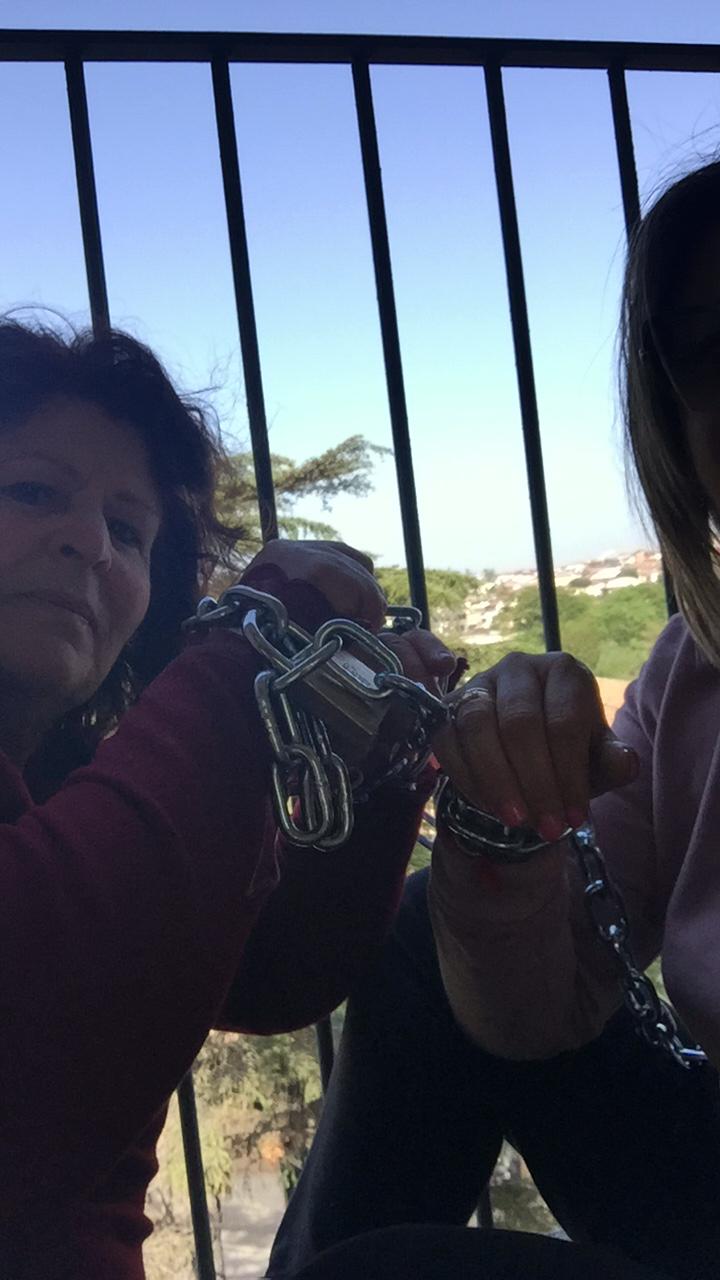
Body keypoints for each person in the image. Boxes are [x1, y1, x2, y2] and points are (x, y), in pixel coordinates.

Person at [268, 157, 720, 1280]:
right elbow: (538, 1012)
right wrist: (504, 823)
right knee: (423, 931)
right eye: (713, 355)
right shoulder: (689, 667)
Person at [0, 316, 460, 1280]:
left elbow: (256, 974)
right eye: (34, 491)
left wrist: (379, 772)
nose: (90, 543)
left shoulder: (59, 781)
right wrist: (252, 650)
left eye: (130, 530)